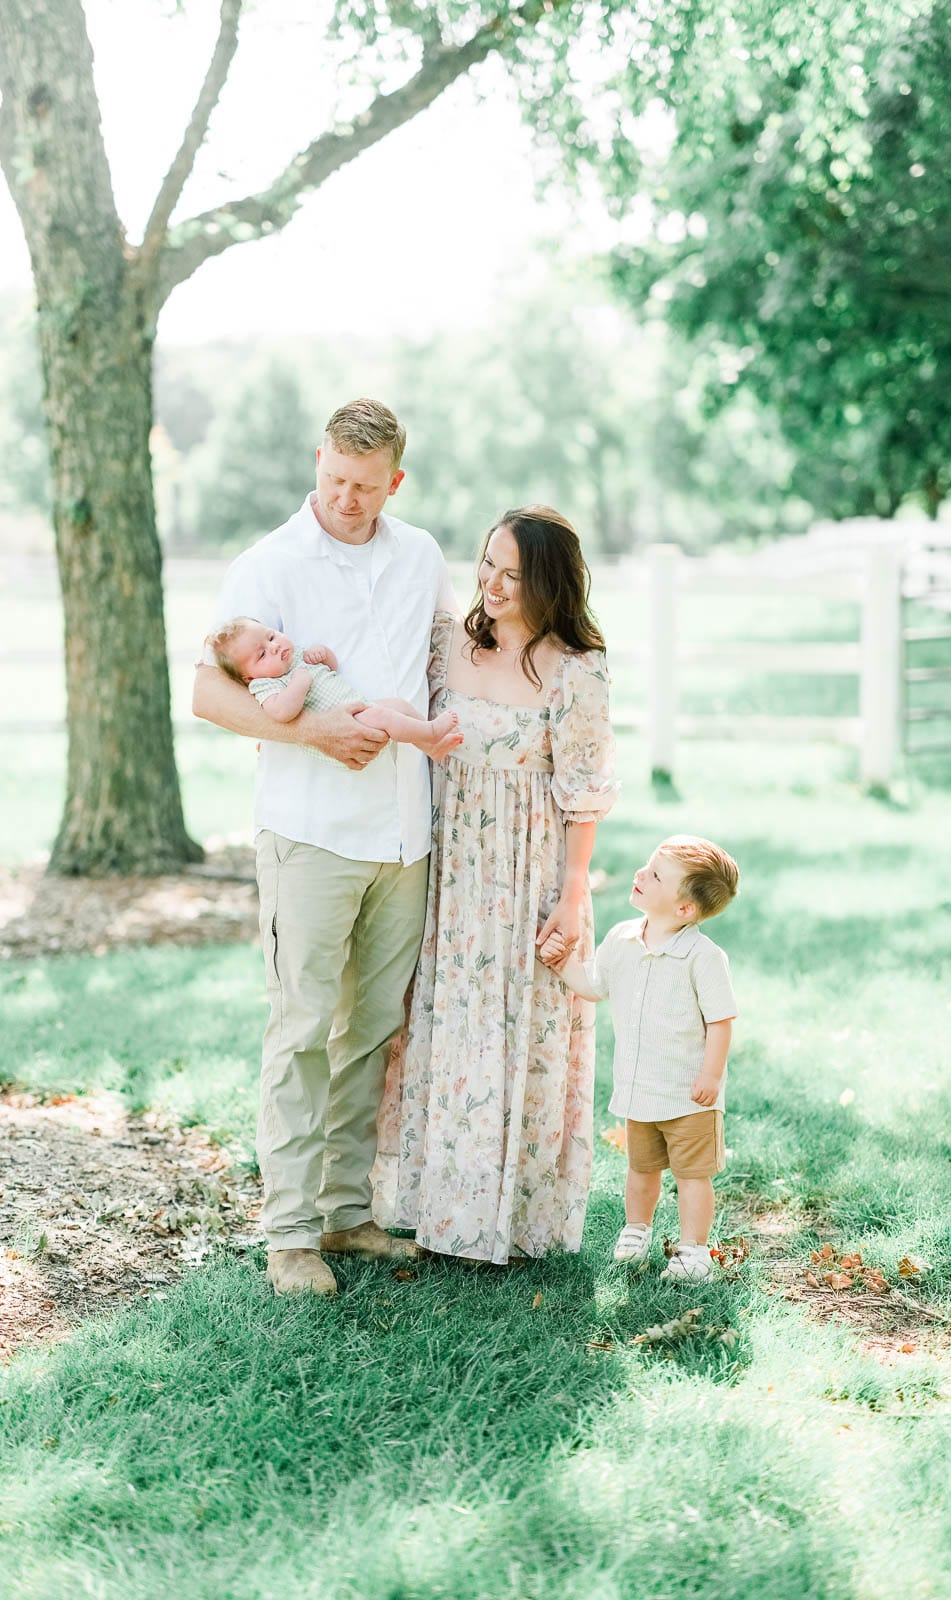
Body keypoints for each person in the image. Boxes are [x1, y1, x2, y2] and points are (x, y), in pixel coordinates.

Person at [192, 398, 458, 1297]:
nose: (348, 498)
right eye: (335, 479)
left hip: (403, 835)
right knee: (302, 1029)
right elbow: (207, 694)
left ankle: (347, 1214)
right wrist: (313, 734)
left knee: (371, 1031)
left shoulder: (419, 555)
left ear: (396, 480)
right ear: (317, 462)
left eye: (366, 485)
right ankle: (289, 1234)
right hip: (309, 836)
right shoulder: (267, 564)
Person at [373, 505, 619, 1264]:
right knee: (442, 1024)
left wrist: (573, 895)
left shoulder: (575, 669)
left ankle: (513, 1215)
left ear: (549, 581)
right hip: (447, 865)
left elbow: (585, 791)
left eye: (513, 573)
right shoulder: (449, 644)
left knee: (522, 1032)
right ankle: (435, 1204)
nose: (493, 583)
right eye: (487, 564)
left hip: (528, 870)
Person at [539, 835, 739, 1282]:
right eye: (646, 867)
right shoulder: (623, 938)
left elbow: (721, 1021)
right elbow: (593, 986)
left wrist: (711, 1073)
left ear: (685, 909)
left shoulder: (703, 958)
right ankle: (636, 1230)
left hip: (689, 1092)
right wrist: (563, 963)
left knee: (692, 1175)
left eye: (654, 875)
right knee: (641, 1168)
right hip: (639, 1087)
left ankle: (693, 1251)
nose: (639, 875)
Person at [204, 616, 463, 760]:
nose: (273, 647)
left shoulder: (295, 656)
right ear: (248, 677)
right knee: (386, 715)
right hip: (344, 722)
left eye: (271, 636)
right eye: (261, 655)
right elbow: (282, 712)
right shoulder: (265, 685)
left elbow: (332, 668)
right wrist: (299, 683)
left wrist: (323, 655)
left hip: (357, 705)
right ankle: (429, 731)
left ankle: (427, 743)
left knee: (397, 705)